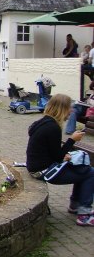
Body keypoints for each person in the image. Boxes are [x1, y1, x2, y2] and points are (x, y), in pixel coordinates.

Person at [26, 94, 94, 226]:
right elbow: (57, 156)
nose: (72, 111)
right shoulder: (53, 128)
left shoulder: (44, 122)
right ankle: (84, 214)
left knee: (83, 170)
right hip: (45, 171)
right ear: (62, 108)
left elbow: (52, 152)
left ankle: (75, 205)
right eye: (70, 108)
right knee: (90, 173)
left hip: (37, 167)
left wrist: (64, 155)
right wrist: (72, 140)